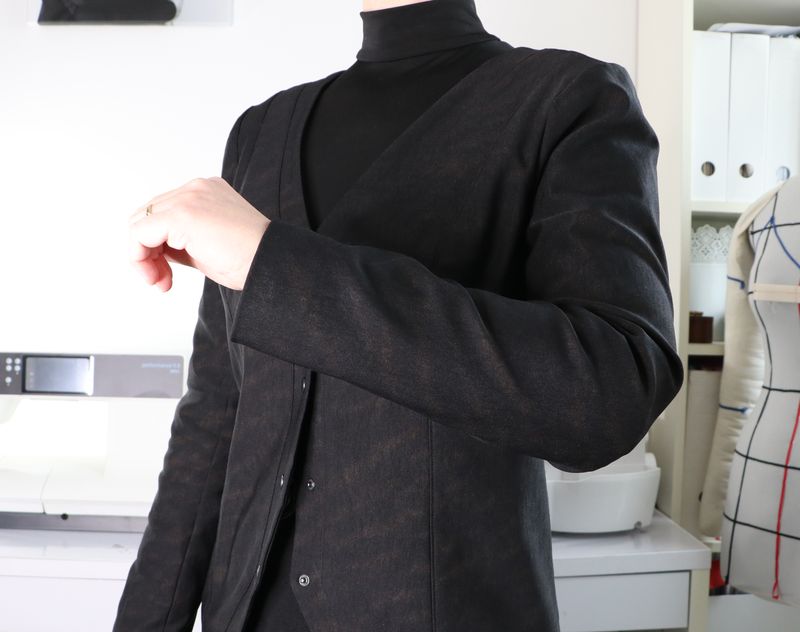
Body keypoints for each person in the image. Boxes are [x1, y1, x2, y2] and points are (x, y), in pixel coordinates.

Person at [116, 0, 685, 630]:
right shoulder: (260, 132)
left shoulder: (568, 100)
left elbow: (608, 393)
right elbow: (216, 414)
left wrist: (271, 262)